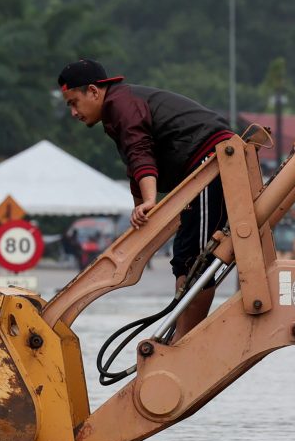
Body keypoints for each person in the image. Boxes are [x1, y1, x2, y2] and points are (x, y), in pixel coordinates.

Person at [58, 59, 233, 341]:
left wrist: (149, 201)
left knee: (196, 260)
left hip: (211, 161)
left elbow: (141, 152)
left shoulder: (121, 105)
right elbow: (134, 166)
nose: (74, 112)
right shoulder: (117, 109)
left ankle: (186, 342)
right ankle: (182, 338)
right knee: (184, 258)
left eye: (74, 102)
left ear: (93, 91)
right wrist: (139, 211)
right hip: (200, 170)